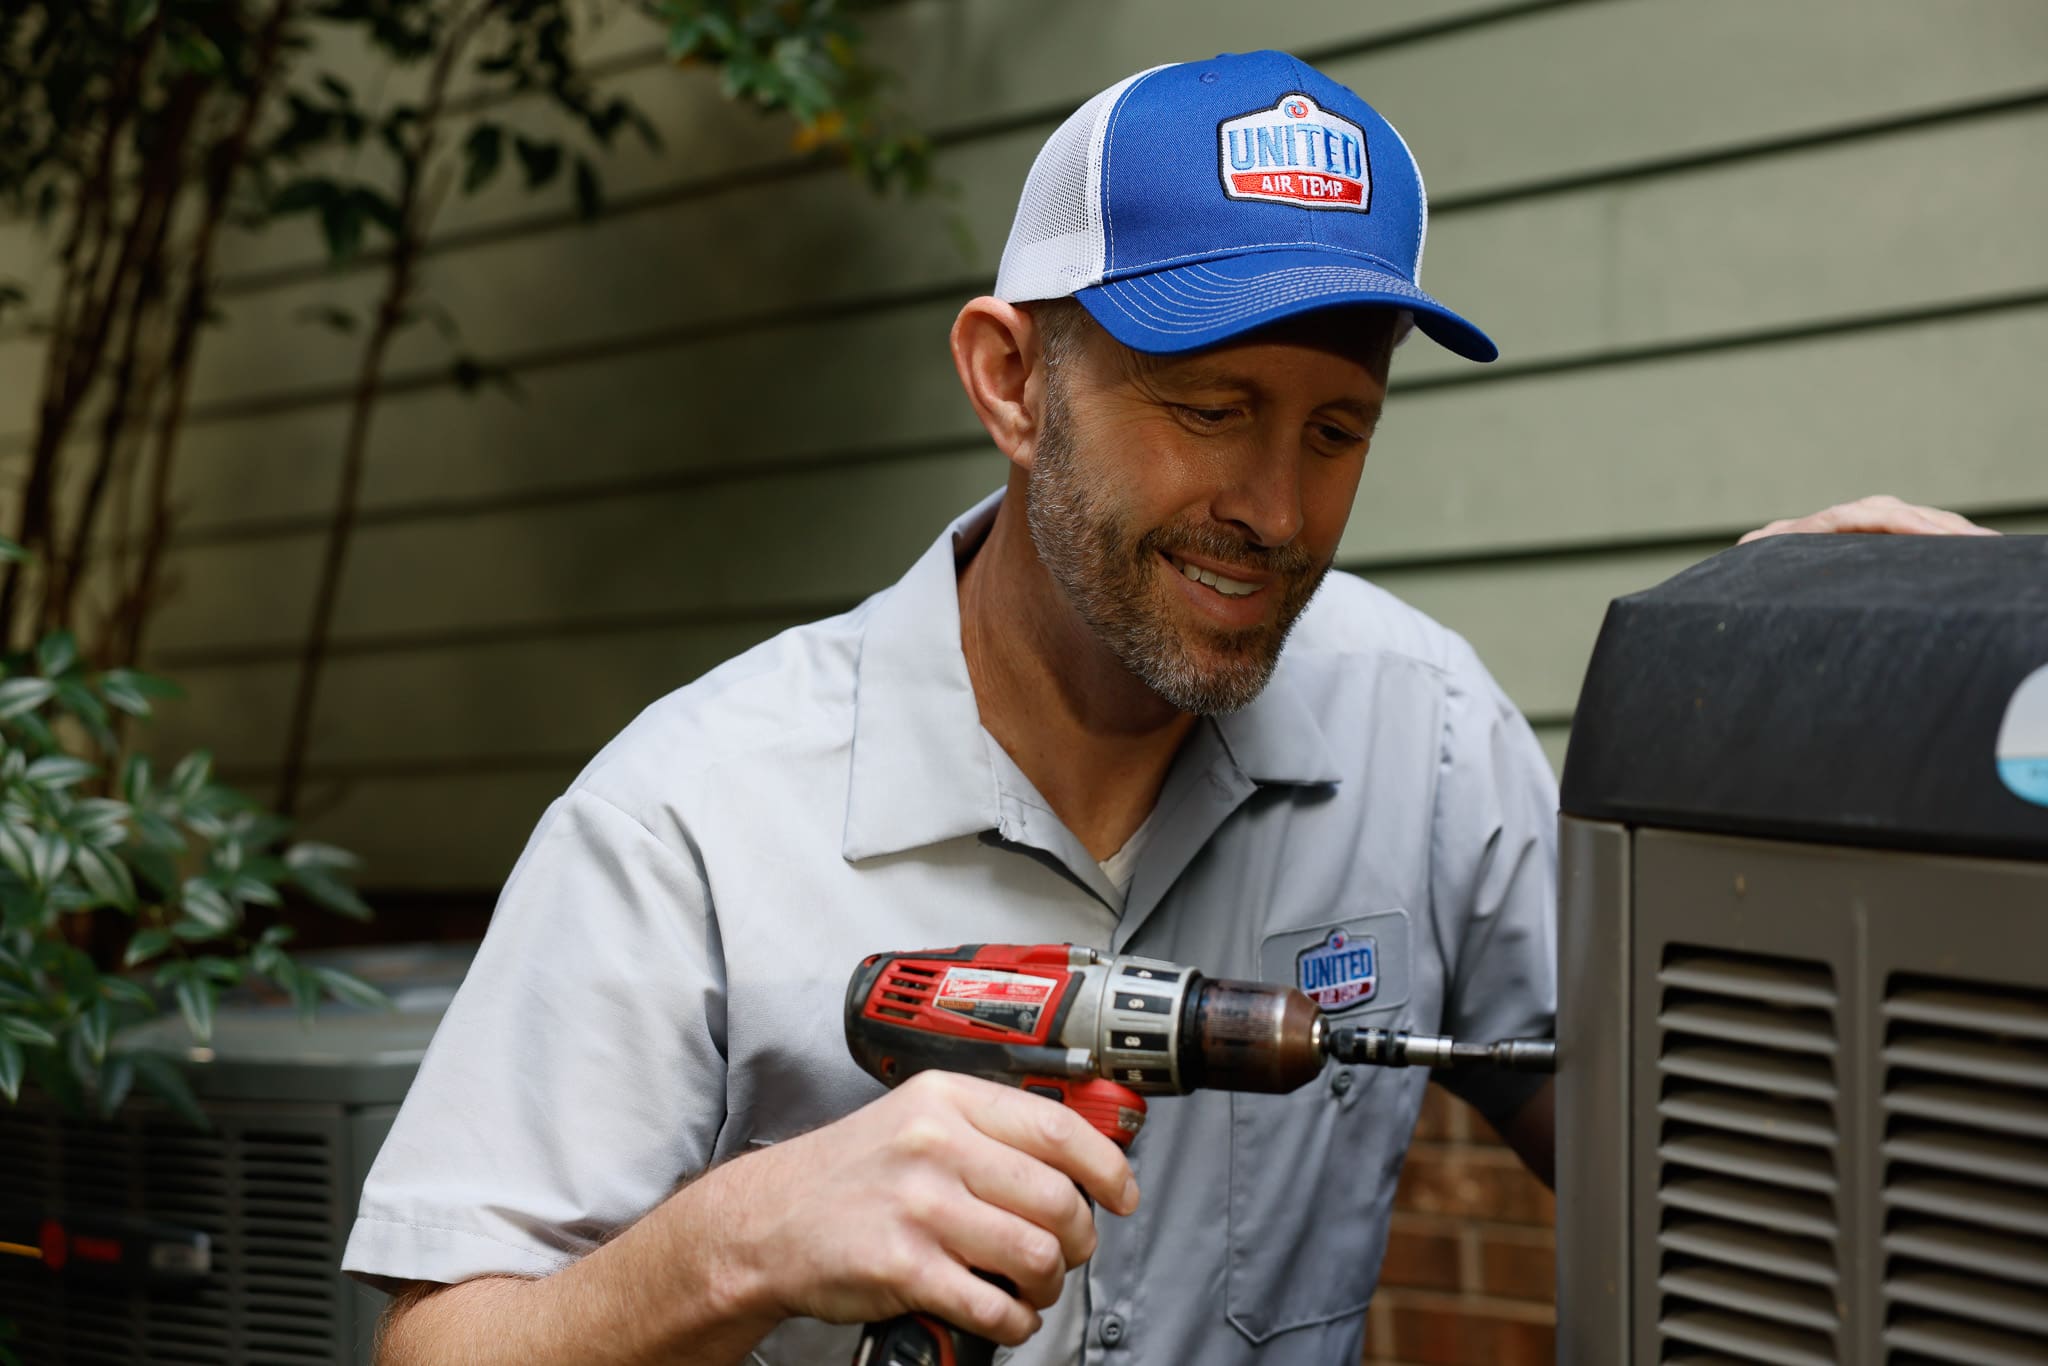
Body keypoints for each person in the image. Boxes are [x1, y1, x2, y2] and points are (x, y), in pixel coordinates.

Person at [342, 51, 1990, 1366]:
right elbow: (441, 1343)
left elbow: (1690, 1159)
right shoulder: (691, 817)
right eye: (1210, 407)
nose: (1275, 507)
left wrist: (1847, 696)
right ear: (1008, 379)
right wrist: (738, 1242)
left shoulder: (1417, 728)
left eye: (1336, 429)